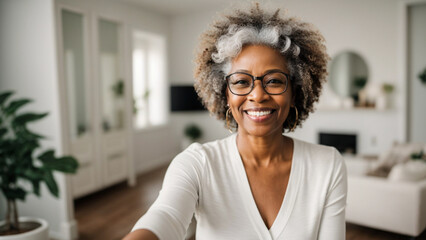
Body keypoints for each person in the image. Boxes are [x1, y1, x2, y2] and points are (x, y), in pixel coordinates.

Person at [124, 3, 347, 240]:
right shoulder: (198, 164)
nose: (258, 95)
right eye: (241, 82)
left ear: (295, 92)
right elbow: (165, 216)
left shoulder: (327, 166)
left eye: (274, 81)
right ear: (225, 95)